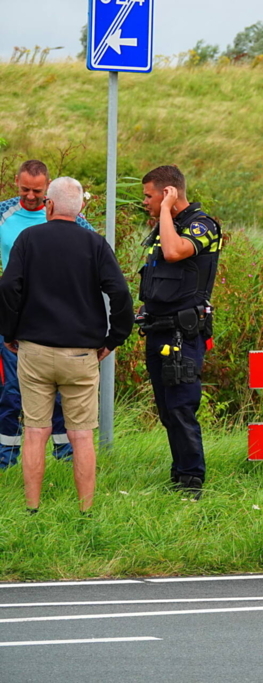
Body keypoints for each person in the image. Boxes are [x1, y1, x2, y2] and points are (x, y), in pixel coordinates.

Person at [0, 177, 133, 513]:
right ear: (81, 208)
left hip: (35, 351)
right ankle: (85, 510)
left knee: (34, 431)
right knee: (82, 435)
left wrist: (10, 333)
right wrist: (112, 340)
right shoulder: (95, 243)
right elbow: (120, 294)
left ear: (50, 205)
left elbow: (9, 288)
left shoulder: (29, 239)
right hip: (81, 354)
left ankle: (32, 509)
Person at [0, 160, 96, 469]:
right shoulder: (4, 214)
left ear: (49, 188)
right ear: (16, 182)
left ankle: (66, 456)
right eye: (24, 189)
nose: (30, 196)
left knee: (60, 392)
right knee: (13, 390)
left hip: (58, 318)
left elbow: (96, 251)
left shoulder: (69, 216)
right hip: (14, 316)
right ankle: (6, 459)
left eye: (37, 191)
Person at [136, 165, 221, 500]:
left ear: (168, 192)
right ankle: (179, 475)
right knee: (167, 410)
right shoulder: (164, 227)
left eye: (149, 195)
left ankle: (191, 483)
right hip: (159, 329)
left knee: (182, 408)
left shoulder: (202, 225)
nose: (144, 201)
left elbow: (174, 253)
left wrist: (167, 211)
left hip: (183, 335)